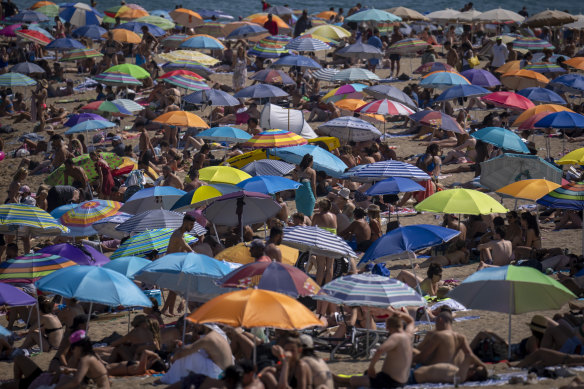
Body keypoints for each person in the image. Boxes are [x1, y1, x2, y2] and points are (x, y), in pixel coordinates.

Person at [334, 311, 415, 388]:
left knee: (353, 380)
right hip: (402, 381)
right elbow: (411, 321)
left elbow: (380, 350)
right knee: (364, 376)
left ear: (388, 327)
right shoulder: (408, 335)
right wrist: (401, 314)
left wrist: (371, 367)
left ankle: (337, 381)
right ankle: (339, 381)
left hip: (390, 381)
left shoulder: (396, 336)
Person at [160, 323, 234, 385]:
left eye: (197, 323)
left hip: (219, 375)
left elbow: (187, 350)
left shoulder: (208, 338)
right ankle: (171, 377)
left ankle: (168, 379)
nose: (195, 326)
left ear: (204, 325)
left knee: (190, 356)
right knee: (192, 355)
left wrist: (175, 357)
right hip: (225, 372)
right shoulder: (217, 334)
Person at [161, 214, 195, 316]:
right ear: (185, 223)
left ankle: (170, 310)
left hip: (175, 264)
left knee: (174, 289)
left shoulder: (182, 234)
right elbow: (188, 249)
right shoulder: (178, 235)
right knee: (173, 288)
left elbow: (183, 251)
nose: (192, 227)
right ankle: (165, 310)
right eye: (191, 224)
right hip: (171, 263)